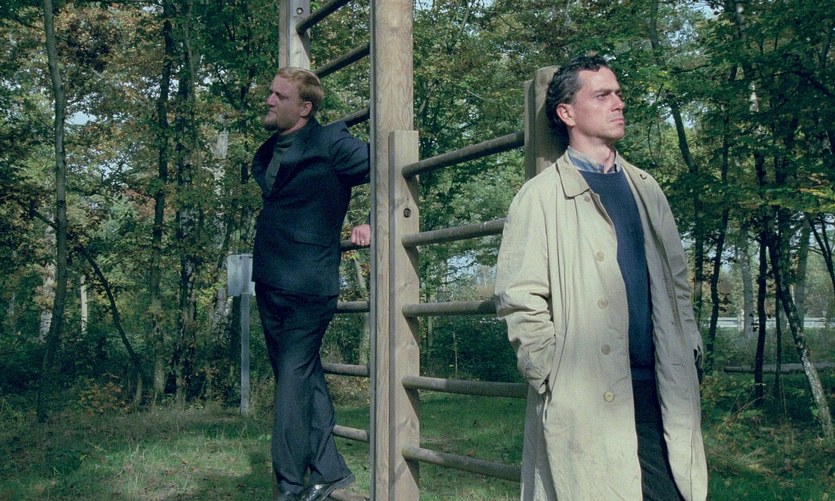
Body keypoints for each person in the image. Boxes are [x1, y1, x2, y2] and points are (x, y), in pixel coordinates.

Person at [494, 54, 708, 500]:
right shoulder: (539, 197)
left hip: (659, 383)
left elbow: (677, 281)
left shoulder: (646, 187)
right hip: (585, 390)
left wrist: (689, 346)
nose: (618, 103)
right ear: (567, 113)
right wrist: (548, 369)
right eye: (602, 95)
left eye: (619, 93)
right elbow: (519, 296)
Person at [251, 66, 370, 501]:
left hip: (308, 283)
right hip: (270, 278)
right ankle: (331, 470)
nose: (269, 100)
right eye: (270, 92)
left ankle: (288, 486)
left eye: (279, 96)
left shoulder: (332, 142)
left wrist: (373, 220)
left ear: (304, 108)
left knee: (291, 381)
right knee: (301, 376)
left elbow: (391, 166)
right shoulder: (269, 149)